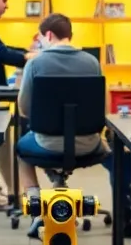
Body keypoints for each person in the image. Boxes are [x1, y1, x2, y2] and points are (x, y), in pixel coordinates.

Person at [15, 14, 117, 196]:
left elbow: (23, 109)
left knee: (20, 148)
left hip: (46, 143)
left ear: (48, 35)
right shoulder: (92, 62)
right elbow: (104, 110)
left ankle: (34, 198)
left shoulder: (35, 64)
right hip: (89, 144)